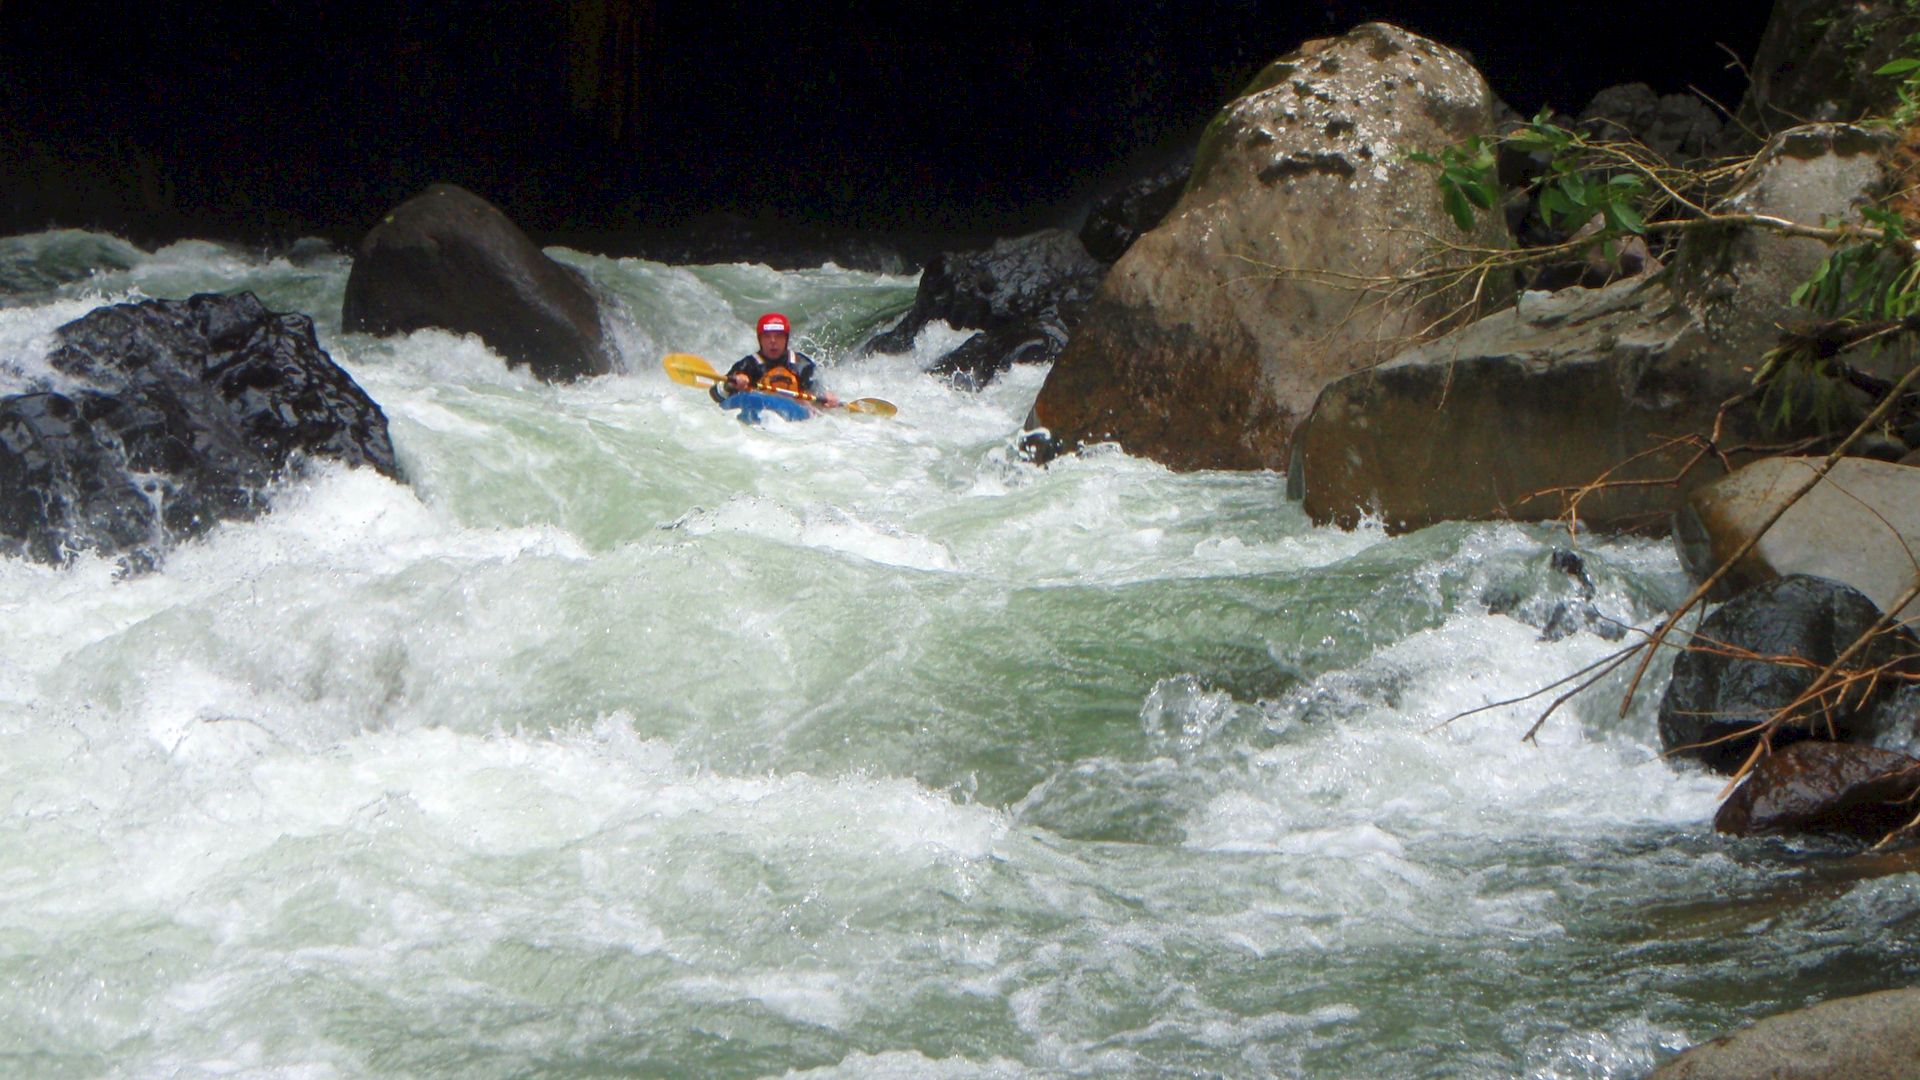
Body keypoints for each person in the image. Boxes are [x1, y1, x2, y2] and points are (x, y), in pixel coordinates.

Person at [713, 312, 840, 409]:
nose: (773, 342)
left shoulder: (802, 365)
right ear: (760, 340)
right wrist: (731, 384)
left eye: (778, 336)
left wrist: (827, 398)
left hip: (794, 413)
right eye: (767, 337)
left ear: (786, 339)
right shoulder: (748, 365)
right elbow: (716, 395)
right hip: (759, 409)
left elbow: (818, 393)